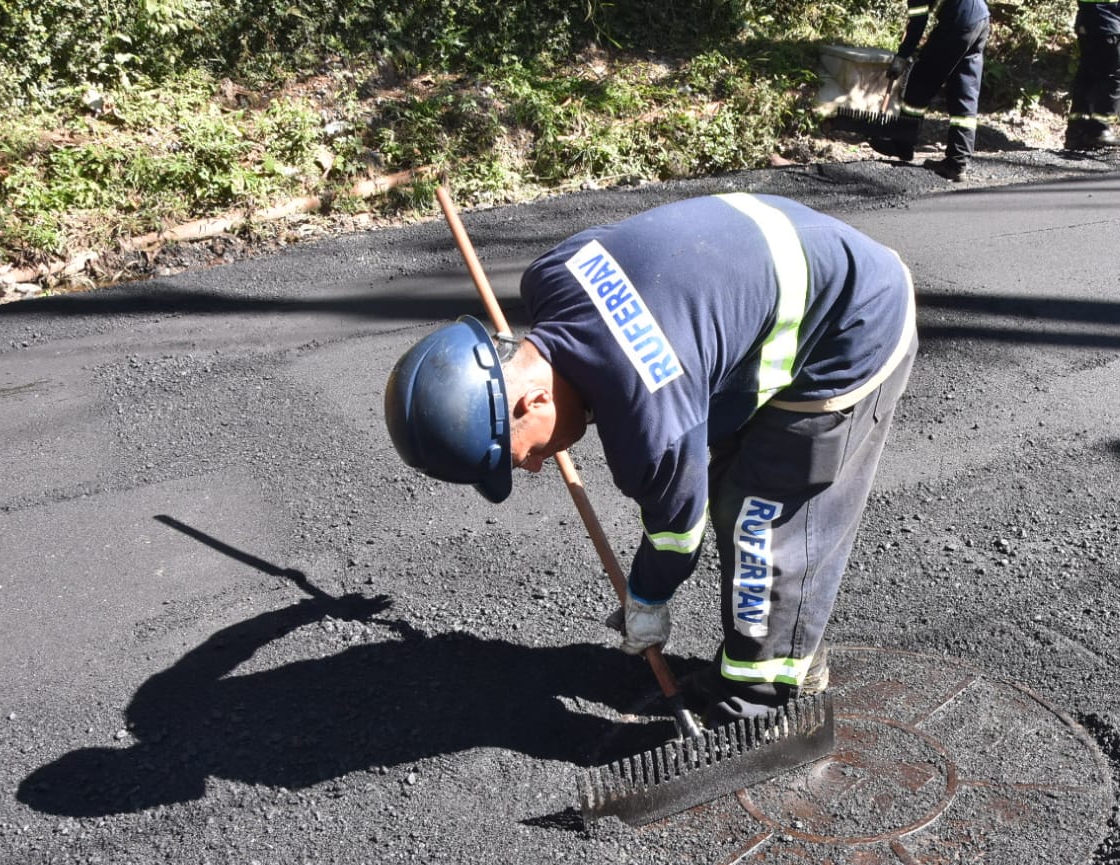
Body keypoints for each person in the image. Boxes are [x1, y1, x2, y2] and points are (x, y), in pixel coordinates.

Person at [384, 194, 917, 723]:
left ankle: (759, 704)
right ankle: (788, 644)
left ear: (534, 400)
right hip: (780, 259)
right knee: (735, 479)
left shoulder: (649, 420)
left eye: (523, 455)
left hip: (850, 322)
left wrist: (645, 596)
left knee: (762, 519)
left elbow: (677, 534)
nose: (534, 467)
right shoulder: (549, 275)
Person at [868, 0, 992, 181]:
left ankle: (902, 144)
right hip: (981, 19)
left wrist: (902, 56)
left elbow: (919, 21)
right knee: (964, 91)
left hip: (959, 20)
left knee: (920, 81)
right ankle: (957, 163)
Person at [1066, 0, 1120, 149]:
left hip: (1088, 17)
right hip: (1107, 19)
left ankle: (1077, 130)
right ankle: (1100, 129)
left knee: (1089, 72)